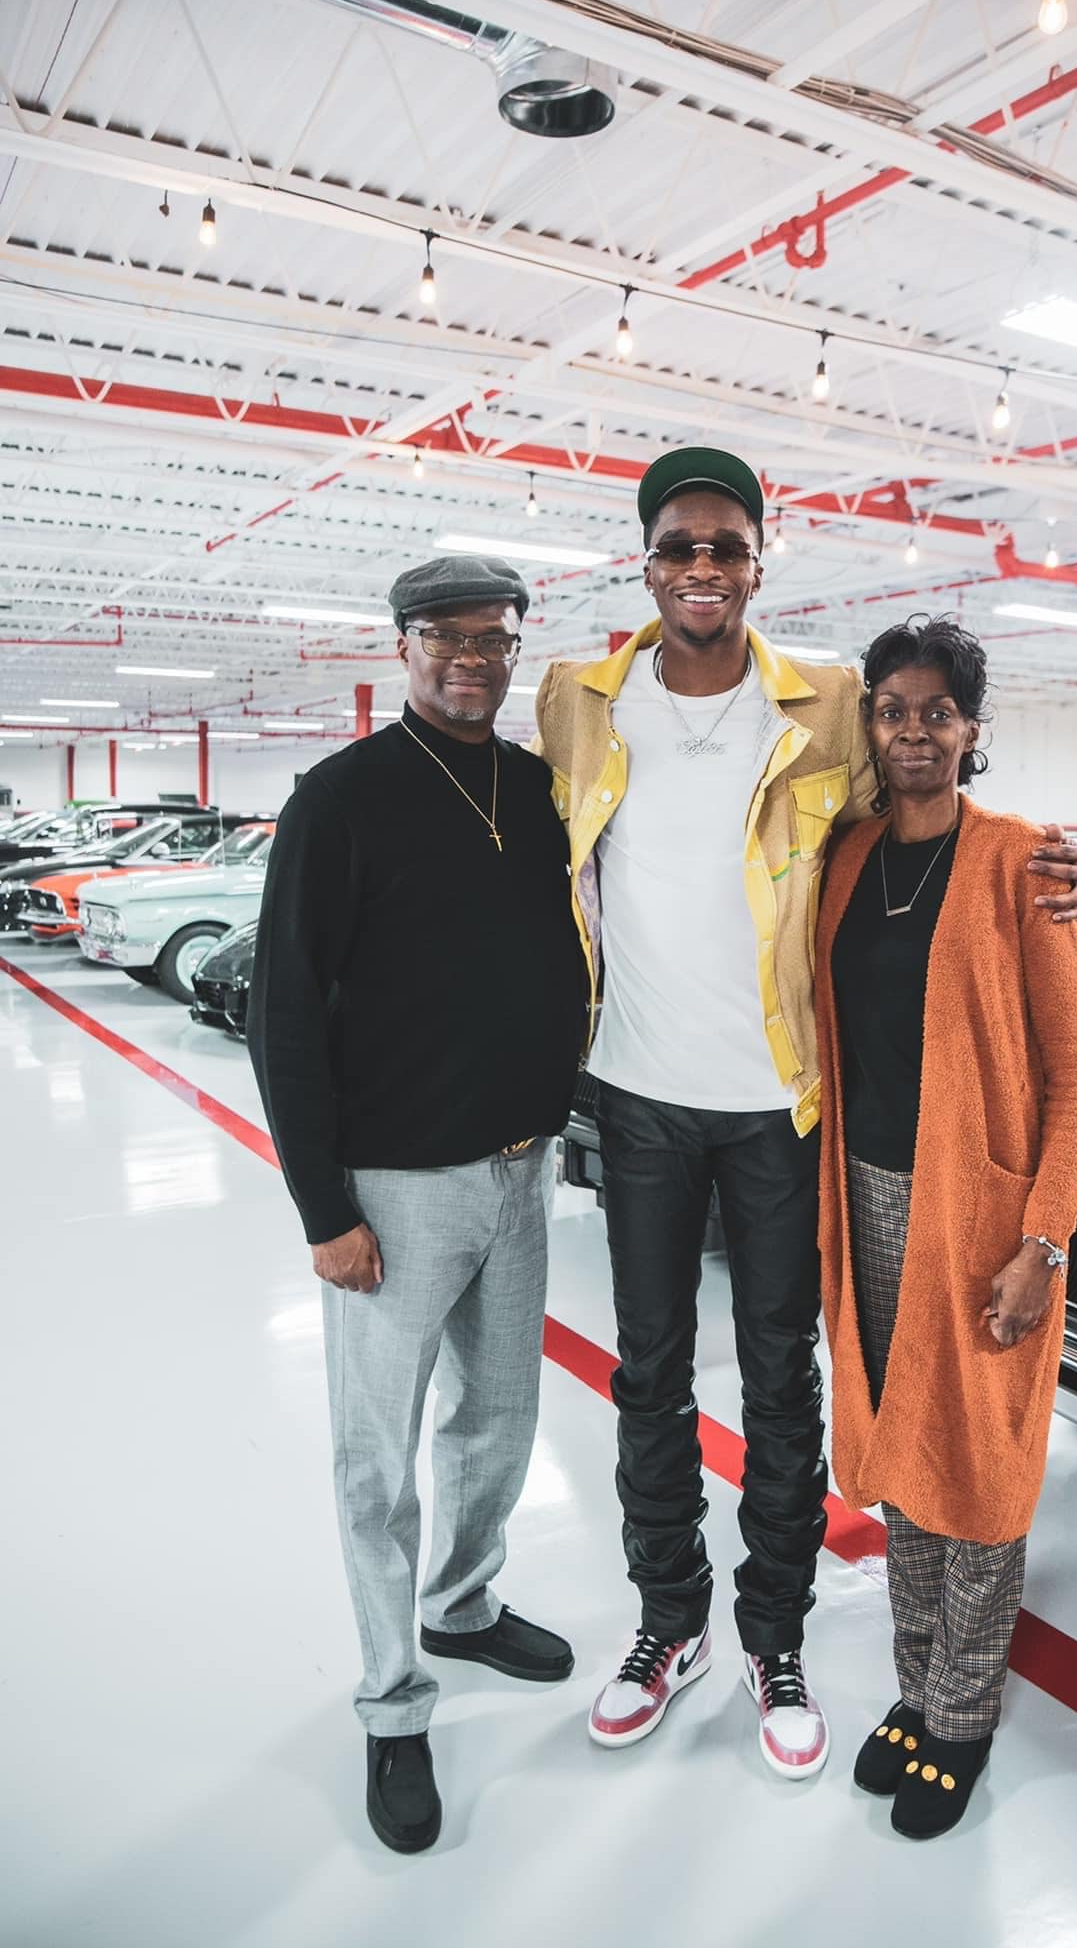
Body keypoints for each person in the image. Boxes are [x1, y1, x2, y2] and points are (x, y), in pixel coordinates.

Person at [534, 448, 1077, 1780]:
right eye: (679, 548)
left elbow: (942, 820)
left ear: (755, 561)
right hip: (640, 1097)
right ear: (648, 563)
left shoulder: (829, 705)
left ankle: (774, 1631)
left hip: (783, 1109)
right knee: (653, 1374)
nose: (701, 570)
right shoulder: (574, 697)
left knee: (789, 1384)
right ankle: (667, 1622)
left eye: (725, 548)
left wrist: (1055, 859)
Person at [247, 556, 586, 1854]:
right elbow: (286, 1009)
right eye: (443, 637)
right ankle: (393, 1706)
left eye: (492, 639)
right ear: (399, 647)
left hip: (518, 1170)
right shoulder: (336, 802)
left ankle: (463, 1602)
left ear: (514, 650)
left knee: (498, 1422)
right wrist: (322, 1206)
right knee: (374, 1460)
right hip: (392, 1191)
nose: (469, 658)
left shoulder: (539, 789)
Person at [814, 614, 1077, 1839]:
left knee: (979, 1465)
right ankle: (913, 1681)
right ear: (870, 723)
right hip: (867, 1196)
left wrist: (1042, 1242)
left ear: (971, 726)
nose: (914, 728)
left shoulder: (1021, 860)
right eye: (893, 708)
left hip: (981, 1217)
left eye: (938, 709)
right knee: (898, 1444)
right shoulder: (847, 854)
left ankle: (962, 1713)